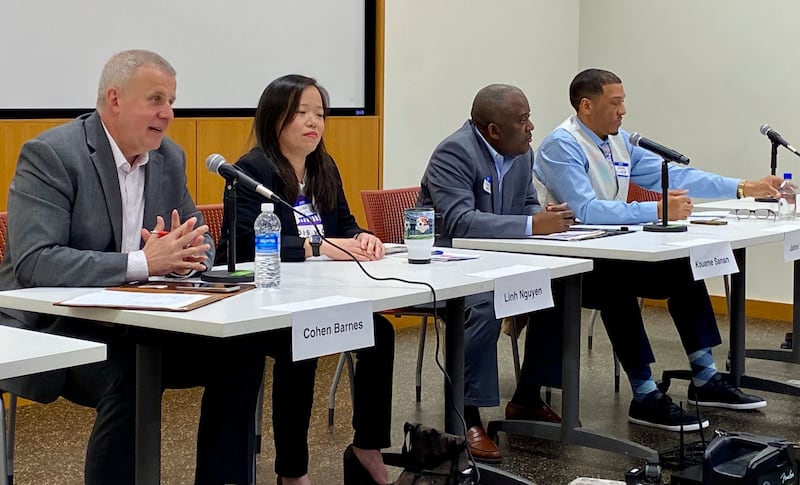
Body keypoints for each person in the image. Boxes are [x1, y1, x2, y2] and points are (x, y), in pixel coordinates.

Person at [0, 50, 265, 485]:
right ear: (115, 99)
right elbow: (34, 262)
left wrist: (184, 260)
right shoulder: (52, 154)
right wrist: (143, 262)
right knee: (132, 370)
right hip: (56, 327)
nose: (168, 113)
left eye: (172, 101)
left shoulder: (168, 158)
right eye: (156, 99)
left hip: (141, 321)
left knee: (241, 350)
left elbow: (201, 240)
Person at [533, 68, 779, 431]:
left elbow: (678, 176)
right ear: (586, 106)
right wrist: (657, 209)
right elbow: (585, 210)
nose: (623, 111)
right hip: (570, 261)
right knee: (615, 285)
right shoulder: (562, 145)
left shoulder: (617, 140)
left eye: (623, 102)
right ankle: (645, 394)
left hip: (613, 248)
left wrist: (743, 187)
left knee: (683, 266)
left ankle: (705, 377)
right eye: (615, 103)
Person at [216, 74, 395, 485]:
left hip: (318, 295)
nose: (313, 122)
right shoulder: (253, 169)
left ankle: (367, 445)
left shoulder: (322, 166)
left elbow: (345, 226)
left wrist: (362, 237)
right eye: (301, 113)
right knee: (306, 342)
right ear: (275, 117)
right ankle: (292, 472)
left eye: (320, 114)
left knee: (379, 334)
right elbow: (243, 246)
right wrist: (316, 247)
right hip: (266, 304)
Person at [417, 84, 575, 462]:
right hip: (448, 267)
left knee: (563, 287)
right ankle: (466, 415)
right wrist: (531, 225)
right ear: (493, 131)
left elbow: (526, 205)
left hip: (499, 260)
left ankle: (526, 397)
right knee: (484, 304)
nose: (531, 127)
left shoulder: (521, 153)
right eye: (522, 121)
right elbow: (458, 222)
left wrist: (550, 219)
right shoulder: (454, 152)